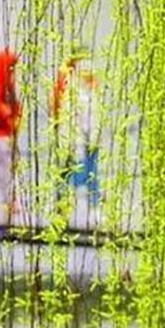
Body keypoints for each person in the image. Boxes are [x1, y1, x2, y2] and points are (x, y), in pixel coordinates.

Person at [50, 47, 101, 211]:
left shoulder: (79, 86)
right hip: (76, 138)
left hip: (84, 137)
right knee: (76, 171)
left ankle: (72, 205)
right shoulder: (72, 86)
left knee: (82, 171)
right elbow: (75, 114)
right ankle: (71, 205)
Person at [0, 49, 23, 222]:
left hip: (7, 132)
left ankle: (8, 200)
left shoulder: (8, 82)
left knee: (8, 168)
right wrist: (9, 117)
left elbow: (13, 105)